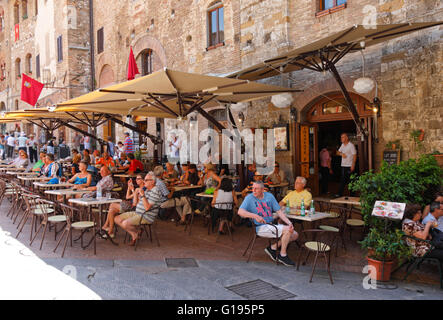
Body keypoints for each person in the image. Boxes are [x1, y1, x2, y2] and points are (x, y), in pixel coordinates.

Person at [238, 181, 299, 266]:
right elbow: (240, 212)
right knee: (287, 230)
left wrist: (289, 223)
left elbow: (279, 211)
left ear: (263, 190)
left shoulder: (269, 196)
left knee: (295, 234)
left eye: (256, 189)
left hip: (271, 224)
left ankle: (273, 248)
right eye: (253, 188)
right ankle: (283, 255)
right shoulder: (249, 198)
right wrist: (255, 216)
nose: (253, 190)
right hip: (260, 227)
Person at [114, 172, 163, 245]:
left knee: (125, 223)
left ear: (152, 182)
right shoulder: (146, 189)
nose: (144, 181)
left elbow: (147, 208)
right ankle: (136, 232)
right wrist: (134, 192)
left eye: (146, 180)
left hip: (146, 216)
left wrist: (142, 195)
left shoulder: (155, 191)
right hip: (137, 212)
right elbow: (135, 204)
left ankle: (135, 235)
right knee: (116, 218)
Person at [102, 174, 145, 239]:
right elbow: (127, 197)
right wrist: (129, 187)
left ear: (143, 180)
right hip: (129, 204)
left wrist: (133, 190)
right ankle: (110, 232)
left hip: (133, 207)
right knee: (111, 211)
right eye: (136, 179)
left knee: (112, 204)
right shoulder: (138, 188)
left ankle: (106, 226)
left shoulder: (143, 189)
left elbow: (135, 203)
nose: (136, 180)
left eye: (138, 179)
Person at [336, 133, 357, 198]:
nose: (341, 138)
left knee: (351, 181)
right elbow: (337, 152)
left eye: (343, 137)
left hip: (349, 166)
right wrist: (341, 154)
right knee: (342, 180)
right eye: (341, 137)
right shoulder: (342, 145)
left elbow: (355, 155)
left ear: (347, 138)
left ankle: (352, 195)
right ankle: (339, 194)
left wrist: (353, 165)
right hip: (343, 166)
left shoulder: (351, 145)